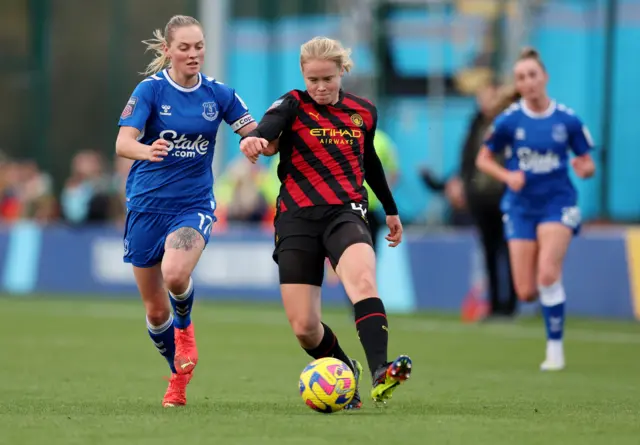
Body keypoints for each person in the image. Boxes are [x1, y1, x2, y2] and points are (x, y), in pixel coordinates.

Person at [240, 36, 412, 408]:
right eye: (313, 79)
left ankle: (381, 371)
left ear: (341, 73)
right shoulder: (291, 103)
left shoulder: (363, 112)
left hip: (345, 211)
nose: (320, 87)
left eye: (328, 79)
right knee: (304, 327)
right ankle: (344, 369)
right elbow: (268, 128)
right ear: (303, 74)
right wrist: (254, 141)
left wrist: (391, 208)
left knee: (363, 280)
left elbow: (371, 163)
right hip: (296, 218)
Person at [115, 15, 259, 407]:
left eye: (198, 46)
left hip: (192, 204)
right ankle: (177, 377)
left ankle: (186, 329)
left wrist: (255, 143)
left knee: (175, 273)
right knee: (155, 308)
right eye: (184, 47)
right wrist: (148, 150)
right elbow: (123, 142)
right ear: (168, 51)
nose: (193, 54)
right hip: (146, 205)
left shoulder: (219, 94)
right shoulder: (149, 91)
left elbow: (257, 133)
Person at [476, 47, 596, 371]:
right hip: (519, 207)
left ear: (545, 77)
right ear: (516, 84)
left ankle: (554, 351)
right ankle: (546, 290)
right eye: (521, 77)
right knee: (526, 291)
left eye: (532, 75)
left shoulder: (567, 120)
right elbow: (483, 159)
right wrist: (507, 175)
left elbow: (587, 164)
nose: (528, 82)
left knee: (547, 274)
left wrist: (584, 169)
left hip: (558, 203)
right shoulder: (509, 120)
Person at [458, 84, 520, 319]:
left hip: (504, 196)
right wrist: (467, 187)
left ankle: (510, 305)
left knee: (510, 250)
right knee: (490, 253)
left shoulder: (507, 125)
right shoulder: (475, 125)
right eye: (481, 98)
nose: (485, 103)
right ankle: (494, 305)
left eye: (489, 97)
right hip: (481, 198)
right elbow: (467, 158)